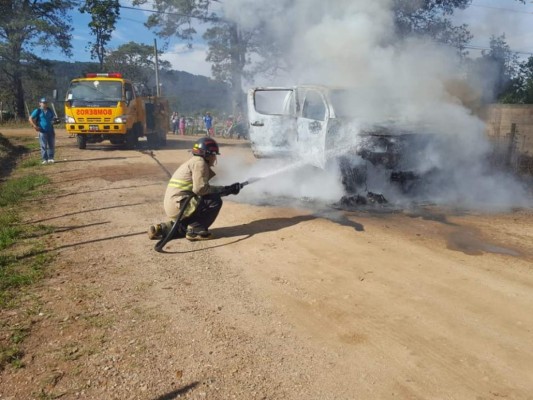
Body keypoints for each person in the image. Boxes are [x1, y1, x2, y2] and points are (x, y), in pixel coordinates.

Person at [148, 137, 242, 241]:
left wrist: (226, 189)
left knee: (202, 204)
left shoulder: (194, 161)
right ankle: (195, 231)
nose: (215, 158)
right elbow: (201, 190)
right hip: (179, 204)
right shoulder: (200, 163)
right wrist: (224, 190)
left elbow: (200, 188)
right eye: (213, 154)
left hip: (174, 204)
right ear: (207, 154)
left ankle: (163, 229)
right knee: (214, 200)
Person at [29, 97, 59, 164]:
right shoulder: (38, 111)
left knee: (51, 145)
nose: (45, 104)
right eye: (43, 103)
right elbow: (30, 118)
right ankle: (44, 159)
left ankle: (51, 158)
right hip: (42, 130)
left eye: (46, 103)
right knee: (43, 145)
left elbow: (53, 118)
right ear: (40, 103)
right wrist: (35, 126)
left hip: (50, 130)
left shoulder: (50, 110)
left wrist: (55, 120)